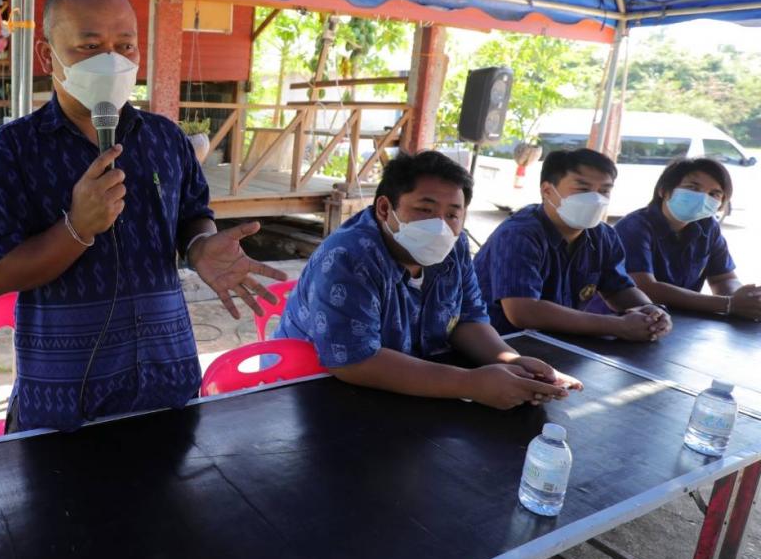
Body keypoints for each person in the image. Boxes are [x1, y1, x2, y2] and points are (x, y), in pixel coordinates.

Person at [0, 0, 284, 432]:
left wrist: (201, 247)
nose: (112, 60)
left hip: (169, 388)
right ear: (46, 56)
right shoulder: (10, 151)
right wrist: (76, 229)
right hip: (63, 404)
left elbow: (192, 215)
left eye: (126, 46)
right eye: (90, 46)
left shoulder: (165, 139)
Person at [276, 151, 579, 409]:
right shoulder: (349, 256)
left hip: (408, 385)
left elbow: (467, 319)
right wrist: (472, 384)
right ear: (385, 208)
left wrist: (513, 363)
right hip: (308, 390)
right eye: (425, 209)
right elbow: (354, 361)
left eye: (452, 214)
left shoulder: (453, 246)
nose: (441, 225)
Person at [475, 148, 673, 340]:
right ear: (547, 191)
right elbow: (523, 312)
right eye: (583, 189)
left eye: (604, 191)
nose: (596, 199)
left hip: (560, 343)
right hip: (499, 346)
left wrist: (652, 312)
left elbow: (618, 290)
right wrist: (617, 326)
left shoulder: (602, 236)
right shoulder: (519, 234)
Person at [613, 157, 761, 321]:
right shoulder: (634, 227)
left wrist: (748, 300)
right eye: (692, 188)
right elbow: (645, 288)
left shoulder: (708, 226)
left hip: (681, 323)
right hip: (627, 322)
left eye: (714, 194)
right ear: (664, 190)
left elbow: (723, 278)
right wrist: (727, 304)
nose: (703, 198)